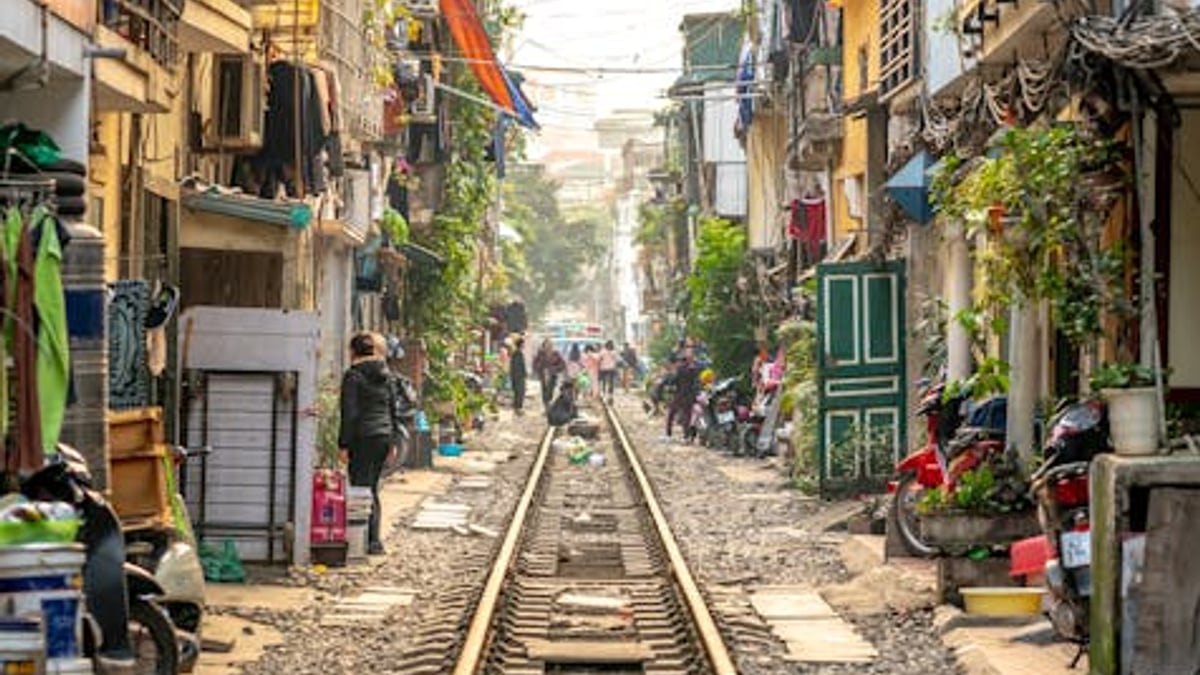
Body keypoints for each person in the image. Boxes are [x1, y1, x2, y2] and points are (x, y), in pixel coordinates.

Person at [338, 332, 400, 555]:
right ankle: (373, 540)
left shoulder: (353, 376)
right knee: (372, 488)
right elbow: (393, 409)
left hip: (363, 437)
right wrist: (393, 441)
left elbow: (350, 414)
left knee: (361, 489)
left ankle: (364, 542)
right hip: (383, 437)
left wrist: (344, 445)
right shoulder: (386, 375)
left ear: (353, 352)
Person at [667, 349, 700, 442]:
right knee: (687, 416)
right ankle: (686, 436)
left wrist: (671, 378)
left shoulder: (680, 368)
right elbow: (697, 382)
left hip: (679, 394)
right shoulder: (696, 367)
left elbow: (673, 380)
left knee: (672, 413)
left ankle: (669, 434)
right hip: (690, 395)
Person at [532, 339, 566, 407]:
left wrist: (555, 369)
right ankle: (546, 405)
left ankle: (548, 402)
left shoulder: (556, 353)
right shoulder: (540, 354)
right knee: (544, 390)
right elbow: (535, 364)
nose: (549, 347)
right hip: (543, 375)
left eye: (550, 345)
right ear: (543, 346)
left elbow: (562, 364)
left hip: (553, 375)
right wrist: (539, 368)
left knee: (550, 390)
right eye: (547, 345)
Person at [509, 335, 527, 414]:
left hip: (517, 376)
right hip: (518, 376)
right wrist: (523, 374)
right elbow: (518, 366)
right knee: (520, 392)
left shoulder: (516, 353)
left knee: (518, 392)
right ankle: (518, 408)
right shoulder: (518, 354)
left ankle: (517, 407)